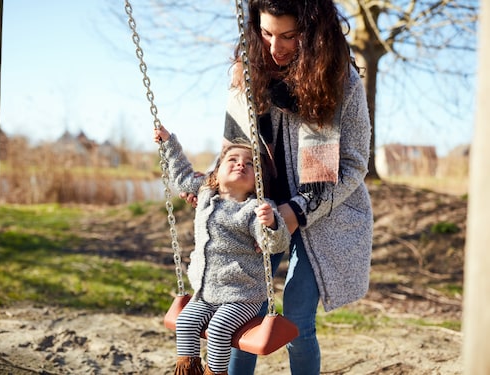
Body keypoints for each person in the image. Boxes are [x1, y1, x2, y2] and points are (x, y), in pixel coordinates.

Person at [221, 0, 374, 374]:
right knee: (244, 309)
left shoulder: (340, 81)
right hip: (263, 210)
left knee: (298, 319)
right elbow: (233, 149)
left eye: (289, 36)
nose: (276, 48)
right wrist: (216, 188)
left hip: (326, 216)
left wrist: (297, 211)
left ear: (314, 32)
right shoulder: (247, 76)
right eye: (267, 33)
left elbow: (354, 165)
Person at [153, 125, 291, 375]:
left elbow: (275, 244)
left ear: (258, 181)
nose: (241, 165)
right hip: (206, 293)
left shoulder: (256, 208)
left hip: (242, 294)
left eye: (250, 164)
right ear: (216, 171)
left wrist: (271, 223)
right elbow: (183, 176)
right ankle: (188, 369)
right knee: (185, 322)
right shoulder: (205, 193)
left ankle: (215, 373)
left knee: (218, 329)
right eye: (233, 159)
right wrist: (168, 143)